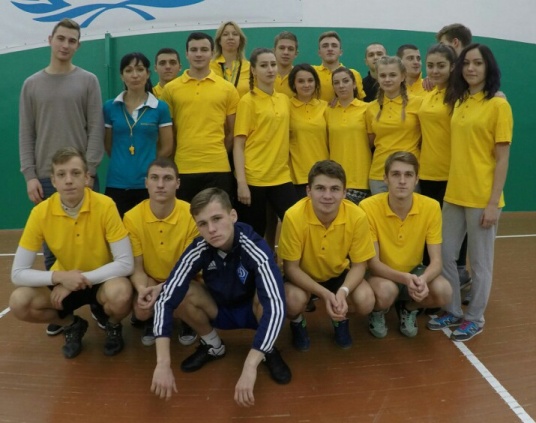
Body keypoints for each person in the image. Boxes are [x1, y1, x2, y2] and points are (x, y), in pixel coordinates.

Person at [150, 188, 291, 406]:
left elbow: (276, 308)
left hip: (253, 312)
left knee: (272, 298)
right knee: (180, 292)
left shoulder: (254, 246)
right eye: (203, 224)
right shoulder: (199, 248)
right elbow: (166, 299)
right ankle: (213, 345)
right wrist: (162, 363)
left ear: (232, 216)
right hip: (219, 308)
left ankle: (265, 350)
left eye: (217, 219)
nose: (211, 230)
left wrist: (249, 367)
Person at [18, 18, 105, 336]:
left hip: (83, 177)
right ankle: (64, 311)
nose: (65, 45)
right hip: (45, 177)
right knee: (53, 249)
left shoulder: (88, 80)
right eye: (61, 38)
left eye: (72, 40)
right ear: (50, 39)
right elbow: (26, 133)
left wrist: (90, 170)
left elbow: (95, 128)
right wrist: (30, 175)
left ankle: (98, 303)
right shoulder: (31, 84)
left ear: (78, 45)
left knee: (94, 242)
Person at [9, 147, 133, 358]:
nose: (68, 180)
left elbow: (126, 263)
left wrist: (78, 280)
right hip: (63, 280)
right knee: (19, 302)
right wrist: (60, 277)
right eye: (61, 174)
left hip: (102, 279)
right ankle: (72, 324)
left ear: (86, 178)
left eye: (75, 173)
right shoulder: (40, 213)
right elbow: (17, 273)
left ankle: (112, 325)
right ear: (53, 181)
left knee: (121, 294)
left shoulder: (105, 205)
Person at [427, 44, 513, 342]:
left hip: (482, 198)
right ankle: (452, 309)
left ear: (489, 67)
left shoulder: (498, 105)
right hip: (454, 194)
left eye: (478, 63)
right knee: (445, 254)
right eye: (466, 63)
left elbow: (502, 158)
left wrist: (492, 203)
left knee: (480, 263)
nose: (471, 68)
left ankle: (475, 318)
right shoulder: (461, 100)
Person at [279, 160, 376, 350]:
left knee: (366, 300)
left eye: (335, 189)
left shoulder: (357, 216)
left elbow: (359, 266)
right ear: (308, 191)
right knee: (292, 301)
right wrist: (324, 294)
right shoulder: (293, 216)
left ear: (344, 192)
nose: (327, 196)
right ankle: (297, 321)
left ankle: (340, 318)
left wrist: (343, 291)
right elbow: (291, 268)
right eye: (320, 188)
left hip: (337, 274)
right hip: (303, 276)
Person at [360, 151, 452, 338]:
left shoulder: (431, 206)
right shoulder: (367, 207)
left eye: (408, 175)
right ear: (385, 178)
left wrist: (423, 280)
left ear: (416, 179)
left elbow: (436, 262)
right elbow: (373, 263)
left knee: (444, 292)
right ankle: (378, 310)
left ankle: (408, 308)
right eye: (396, 174)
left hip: (414, 271)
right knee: (386, 292)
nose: (402, 181)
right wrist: (405, 279)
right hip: (381, 275)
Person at [123, 158, 199, 346]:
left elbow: (188, 269)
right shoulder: (132, 217)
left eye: (167, 178)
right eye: (154, 178)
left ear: (177, 183)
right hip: (151, 278)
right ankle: (151, 318)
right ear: (146, 183)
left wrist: (164, 289)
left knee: (180, 298)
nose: (160, 185)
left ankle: (187, 318)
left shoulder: (192, 215)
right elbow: (137, 268)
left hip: (184, 279)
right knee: (142, 311)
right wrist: (142, 290)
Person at [161, 32, 240, 203]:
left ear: (212, 53)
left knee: (218, 218)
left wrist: (216, 152)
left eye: (204, 50)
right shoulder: (170, 89)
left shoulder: (227, 89)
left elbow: (232, 132)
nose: (198, 54)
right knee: (187, 218)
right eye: (194, 50)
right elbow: (169, 133)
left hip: (219, 167)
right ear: (186, 54)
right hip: (183, 168)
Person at [417, 44, 470, 287]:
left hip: (451, 175)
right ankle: (430, 284)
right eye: (430, 66)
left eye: (441, 65)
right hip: (426, 173)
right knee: (431, 232)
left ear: (452, 67)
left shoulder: (460, 96)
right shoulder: (428, 93)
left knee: (450, 237)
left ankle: (455, 280)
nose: (435, 70)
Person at [233, 48, 297, 239]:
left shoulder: (284, 100)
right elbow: (239, 145)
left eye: (272, 64)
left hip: (281, 176)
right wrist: (242, 183)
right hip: (255, 178)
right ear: (253, 70)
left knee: (295, 224)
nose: (270, 69)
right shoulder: (247, 102)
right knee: (254, 233)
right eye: (263, 65)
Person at [104, 52, 173, 217]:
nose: (135, 75)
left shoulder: (160, 108)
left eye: (140, 69)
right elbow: (108, 145)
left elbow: (167, 147)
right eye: (128, 70)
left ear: (148, 73)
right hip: (117, 183)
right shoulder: (110, 107)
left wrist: (149, 167)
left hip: (149, 184)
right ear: (122, 76)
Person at [365, 55, 422, 194]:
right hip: (379, 175)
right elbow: (371, 142)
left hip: (408, 174)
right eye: (383, 75)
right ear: (377, 78)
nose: (387, 79)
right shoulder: (370, 108)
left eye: (392, 75)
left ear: (403, 76)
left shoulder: (419, 103)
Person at [326, 67, 371, 205]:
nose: (341, 86)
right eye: (336, 82)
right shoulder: (327, 111)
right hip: (335, 178)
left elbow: (372, 142)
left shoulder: (367, 109)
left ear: (354, 84)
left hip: (361, 178)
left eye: (345, 81)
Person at [288, 63, 328, 199]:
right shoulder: (286, 106)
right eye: (301, 81)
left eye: (310, 80)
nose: (306, 85)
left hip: (324, 173)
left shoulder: (326, 107)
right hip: (297, 176)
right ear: (293, 84)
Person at [313, 31, 366, 102]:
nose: (330, 49)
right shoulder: (311, 73)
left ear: (340, 52)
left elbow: (360, 103)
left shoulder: (353, 74)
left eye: (334, 46)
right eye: (325, 46)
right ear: (319, 52)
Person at [210, 21, 250, 97]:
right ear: (219, 41)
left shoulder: (250, 68)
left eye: (235, 34)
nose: (230, 37)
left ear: (240, 40)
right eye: (225, 34)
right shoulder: (209, 67)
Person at [274, 31, 299, 98]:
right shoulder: (263, 75)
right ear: (274, 51)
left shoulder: (300, 77)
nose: (286, 52)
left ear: (296, 53)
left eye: (290, 49)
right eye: (282, 48)